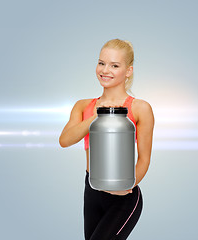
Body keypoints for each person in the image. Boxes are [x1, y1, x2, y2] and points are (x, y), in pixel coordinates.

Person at [59, 39, 155, 240]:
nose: (105, 70)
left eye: (114, 65)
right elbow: (65, 140)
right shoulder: (83, 106)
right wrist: (97, 116)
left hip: (124, 197)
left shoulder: (140, 108)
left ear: (128, 71)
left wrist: (125, 186)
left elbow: (144, 159)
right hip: (92, 190)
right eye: (101, 63)